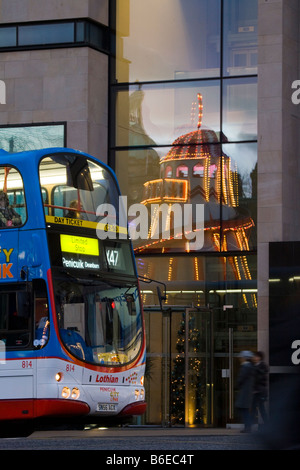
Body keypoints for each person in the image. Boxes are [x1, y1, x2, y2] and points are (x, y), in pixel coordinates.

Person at [235, 350, 255, 433]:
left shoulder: (246, 367)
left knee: (244, 409)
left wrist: (237, 385)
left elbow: (242, 378)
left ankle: (248, 426)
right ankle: (248, 426)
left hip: (245, 391)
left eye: (241, 357)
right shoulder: (249, 366)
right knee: (244, 409)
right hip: (247, 390)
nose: (240, 359)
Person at [251, 351, 269, 428]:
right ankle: (250, 425)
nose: (254, 358)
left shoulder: (261, 366)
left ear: (259, 357)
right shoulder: (256, 366)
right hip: (257, 391)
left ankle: (249, 426)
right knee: (257, 408)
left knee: (259, 409)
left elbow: (261, 379)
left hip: (259, 391)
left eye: (256, 356)